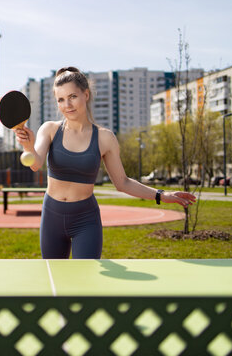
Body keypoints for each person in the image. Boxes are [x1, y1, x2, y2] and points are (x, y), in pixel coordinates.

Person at [14, 66, 196, 259]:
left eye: (73, 96)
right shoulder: (49, 129)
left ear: (86, 94)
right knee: (54, 282)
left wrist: (162, 195)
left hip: (85, 220)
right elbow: (35, 163)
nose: (67, 104)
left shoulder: (104, 138)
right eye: (61, 99)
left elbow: (122, 182)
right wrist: (28, 146)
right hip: (52, 216)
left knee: (85, 283)